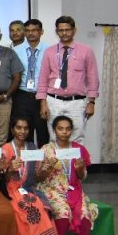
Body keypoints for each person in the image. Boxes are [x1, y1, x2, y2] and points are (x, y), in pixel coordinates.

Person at [1, 116, 59, 235]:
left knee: (41, 206)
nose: (22, 131)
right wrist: (10, 169)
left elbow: (38, 178)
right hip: (10, 189)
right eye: (18, 127)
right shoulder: (6, 149)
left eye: (25, 128)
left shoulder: (33, 149)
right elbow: (1, 179)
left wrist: (47, 168)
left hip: (28, 189)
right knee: (29, 208)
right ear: (12, 129)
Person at [39, 115, 98, 235]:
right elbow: (38, 177)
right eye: (60, 129)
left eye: (67, 129)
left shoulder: (79, 149)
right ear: (54, 130)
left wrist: (79, 169)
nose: (64, 132)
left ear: (71, 131)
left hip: (74, 190)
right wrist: (48, 167)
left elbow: (82, 177)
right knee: (63, 213)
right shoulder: (46, 149)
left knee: (84, 213)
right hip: (52, 189)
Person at [37, 16, 99, 144]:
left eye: (67, 30)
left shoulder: (86, 51)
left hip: (77, 103)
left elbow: (93, 78)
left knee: (77, 138)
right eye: (61, 30)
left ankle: (74, 159)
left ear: (74, 30)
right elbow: (43, 78)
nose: (64, 33)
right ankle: (57, 159)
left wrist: (91, 102)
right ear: (56, 31)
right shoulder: (49, 52)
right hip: (53, 101)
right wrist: (43, 103)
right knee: (54, 138)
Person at [13, 18, 50, 146]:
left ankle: (44, 158)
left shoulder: (49, 50)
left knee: (43, 132)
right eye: (27, 30)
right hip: (22, 96)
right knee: (23, 131)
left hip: (42, 96)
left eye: (34, 30)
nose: (31, 33)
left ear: (41, 32)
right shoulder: (16, 51)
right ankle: (26, 158)